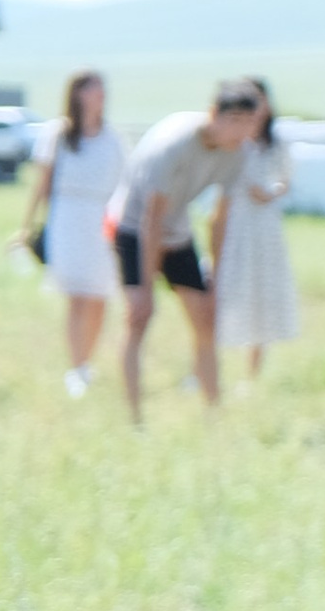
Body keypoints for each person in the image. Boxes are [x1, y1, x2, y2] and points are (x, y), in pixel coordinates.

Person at [112, 86, 266, 421]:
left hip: (177, 230)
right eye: (235, 121)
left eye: (249, 123)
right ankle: (134, 419)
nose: (241, 132)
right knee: (138, 316)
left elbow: (219, 219)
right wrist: (146, 288)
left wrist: (217, 279)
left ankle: (214, 415)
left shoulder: (238, 153)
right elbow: (152, 218)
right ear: (213, 115)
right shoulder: (174, 145)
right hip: (135, 227)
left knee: (206, 319)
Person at [22, 71, 128, 394]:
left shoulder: (113, 137)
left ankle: (88, 361)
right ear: (78, 93)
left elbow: (125, 182)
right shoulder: (58, 135)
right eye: (94, 88)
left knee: (99, 294)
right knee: (77, 295)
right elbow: (42, 184)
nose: (101, 95)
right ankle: (77, 365)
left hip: (102, 219)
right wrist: (28, 225)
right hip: (68, 217)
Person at [214, 81, 300, 376]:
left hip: (264, 226)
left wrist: (270, 192)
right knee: (229, 287)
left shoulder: (275, 143)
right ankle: (214, 364)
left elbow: (286, 179)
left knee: (261, 291)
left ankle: (252, 372)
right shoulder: (232, 144)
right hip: (236, 223)